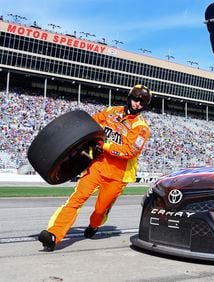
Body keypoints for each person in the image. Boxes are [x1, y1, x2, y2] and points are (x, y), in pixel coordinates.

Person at [38, 84, 152, 251]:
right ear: (129, 97)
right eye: (135, 99)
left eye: (142, 102)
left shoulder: (142, 128)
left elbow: (128, 151)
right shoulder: (110, 111)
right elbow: (89, 125)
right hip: (97, 165)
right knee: (76, 199)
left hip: (119, 175)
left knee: (100, 210)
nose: (137, 104)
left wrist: (104, 144)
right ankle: (53, 235)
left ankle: (94, 225)